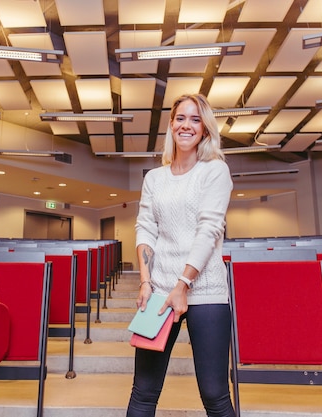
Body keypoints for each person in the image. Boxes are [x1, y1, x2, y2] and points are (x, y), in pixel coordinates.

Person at [126, 93, 235, 417]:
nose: (186, 125)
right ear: (171, 124)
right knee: (143, 392)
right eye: (180, 118)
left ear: (204, 129)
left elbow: (209, 230)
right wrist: (146, 282)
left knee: (215, 394)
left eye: (195, 119)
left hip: (206, 291)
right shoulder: (154, 178)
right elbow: (145, 228)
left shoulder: (214, 171)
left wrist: (183, 285)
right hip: (160, 291)